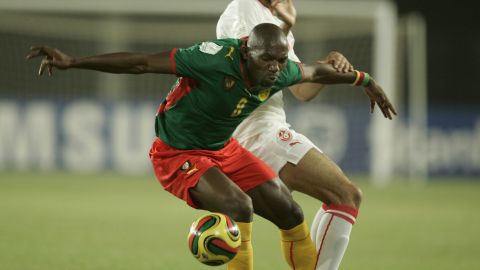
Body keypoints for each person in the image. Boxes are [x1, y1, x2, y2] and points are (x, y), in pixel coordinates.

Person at [26, 23, 396, 270]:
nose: (275, 68)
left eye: (281, 60)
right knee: (240, 206)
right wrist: (74, 61)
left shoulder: (281, 70)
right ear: (246, 51)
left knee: (291, 213)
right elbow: (140, 64)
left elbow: (317, 72)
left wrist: (366, 80)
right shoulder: (211, 59)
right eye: (268, 59)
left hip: (223, 149)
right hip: (177, 153)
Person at [216, 1, 392, 269]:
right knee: (346, 195)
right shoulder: (244, 8)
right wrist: (284, 27)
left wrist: (326, 65)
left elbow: (302, 90)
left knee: (341, 198)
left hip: (267, 129)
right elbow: (252, 71)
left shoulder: (272, 16)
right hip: (256, 131)